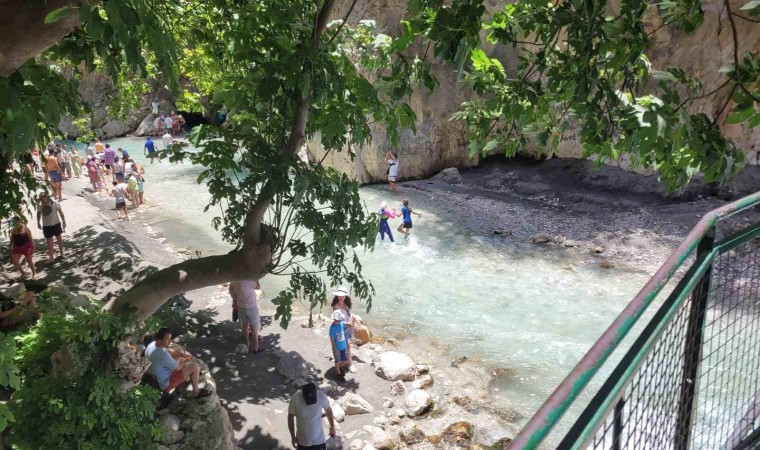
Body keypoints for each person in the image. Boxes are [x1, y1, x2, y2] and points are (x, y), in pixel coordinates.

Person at [145, 328, 210, 398]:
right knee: (194, 366)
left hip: (157, 377)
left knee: (179, 355)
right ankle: (196, 392)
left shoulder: (152, 345)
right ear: (159, 339)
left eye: (170, 339)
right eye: (168, 339)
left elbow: (169, 351)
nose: (170, 341)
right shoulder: (163, 355)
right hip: (166, 384)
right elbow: (178, 368)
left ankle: (187, 379)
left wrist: (182, 355)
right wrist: (185, 362)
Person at [288, 383, 336, 450]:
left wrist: (332, 427)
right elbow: (290, 417)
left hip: (319, 441)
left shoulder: (321, 396)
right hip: (303, 442)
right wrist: (293, 437)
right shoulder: (295, 398)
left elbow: (328, 410)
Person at [229, 280, 262, 353]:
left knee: (245, 325)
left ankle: (247, 344)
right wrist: (256, 279)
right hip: (251, 307)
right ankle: (256, 347)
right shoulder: (249, 281)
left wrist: (235, 299)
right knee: (254, 326)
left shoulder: (234, 280)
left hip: (240, 306)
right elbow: (258, 287)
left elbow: (231, 289)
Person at [331, 287, 357, 373]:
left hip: (349, 328)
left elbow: (349, 313)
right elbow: (337, 320)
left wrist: (353, 317)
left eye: (342, 295)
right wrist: (347, 323)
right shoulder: (335, 306)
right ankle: (349, 364)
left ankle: (343, 362)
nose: (340, 297)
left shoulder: (347, 303)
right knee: (347, 347)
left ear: (345, 296)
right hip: (342, 329)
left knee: (346, 347)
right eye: (339, 295)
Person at [36, 192, 66, 261]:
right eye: (41, 199)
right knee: (49, 241)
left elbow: (60, 212)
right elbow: (38, 213)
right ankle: (51, 258)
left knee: (59, 239)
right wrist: (38, 222)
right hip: (46, 226)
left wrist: (63, 221)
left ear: (47, 197)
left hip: (56, 224)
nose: (42, 200)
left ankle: (62, 254)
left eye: (43, 198)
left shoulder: (54, 203)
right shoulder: (40, 205)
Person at [329, 310, 350, 382]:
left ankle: (340, 366)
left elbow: (346, 324)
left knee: (346, 360)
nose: (339, 321)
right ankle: (338, 374)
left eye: (340, 320)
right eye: (337, 320)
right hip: (337, 348)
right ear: (334, 319)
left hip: (343, 346)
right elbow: (332, 340)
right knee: (337, 361)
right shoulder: (332, 328)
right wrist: (334, 349)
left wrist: (352, 323)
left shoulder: (341, 323)